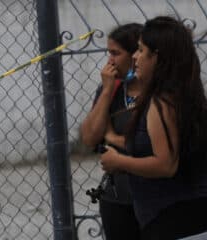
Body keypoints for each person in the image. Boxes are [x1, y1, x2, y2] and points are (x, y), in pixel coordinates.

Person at [100, 16, 207, 239]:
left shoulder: (162, 102)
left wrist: (119, 162)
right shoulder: (186, 94)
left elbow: (165, 164)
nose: (136, 57)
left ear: (157, 57)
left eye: (140, 50)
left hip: (173, 220)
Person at [80, 23, 142, 240]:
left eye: (116, 53)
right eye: (109, 53)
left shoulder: (160, 91)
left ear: (138, 53)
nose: (110, 61)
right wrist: (107, 90)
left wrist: (114, 137)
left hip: (154, 194)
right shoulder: (113, 89)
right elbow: (89, 137)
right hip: (117, 195)